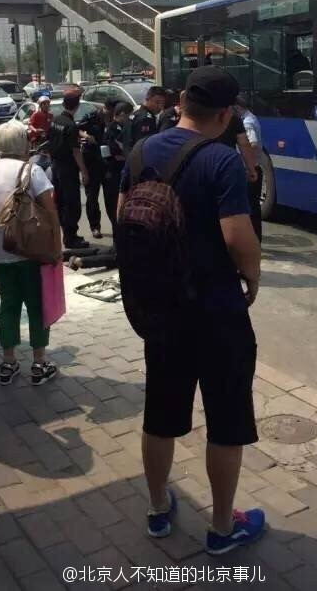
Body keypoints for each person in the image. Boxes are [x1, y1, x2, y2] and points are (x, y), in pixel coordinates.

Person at [118, 66, 264, 555]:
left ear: (180, 102)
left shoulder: (140, 152)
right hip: (217, 312)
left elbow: (123, 216)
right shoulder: (221, 160)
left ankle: (159, 508)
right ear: (224, 115)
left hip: (162, 310)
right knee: (226, 420)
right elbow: (237, 236)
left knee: (160, 414)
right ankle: (222, 528)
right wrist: (253, 276)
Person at [0, 121, 60, 386]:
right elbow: (51, 214)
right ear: (23, 143)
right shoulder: (32, 172)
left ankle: (8, 362)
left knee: (8, 306)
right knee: (36, 307)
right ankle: (39, 363)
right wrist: (55, 250)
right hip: (31, 254)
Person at [49, 88, 89, 249]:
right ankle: (71, 237)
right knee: (72, 203)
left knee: (61, 201)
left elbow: (50, 142)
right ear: (77, 106)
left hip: (56, 166)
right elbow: (76, 151)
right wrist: (84, 172)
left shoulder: (55, 120)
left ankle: (66, 234)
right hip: (68, 169)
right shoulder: (71, 125)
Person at [234, 95, 264, 241]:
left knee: (250, 208)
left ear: (237, 107)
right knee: (253, 207)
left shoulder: (247, 122)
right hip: (254, 167)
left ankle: (253, 239)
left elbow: (253, 143)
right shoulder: (252, 117)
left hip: (250, 169)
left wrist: (248, 164)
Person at [101, 101, 133, 239]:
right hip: (113, 173)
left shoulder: (124, 127)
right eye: (129, 115)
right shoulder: (112, 129)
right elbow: (114, 152)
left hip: (122, 171)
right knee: (114, 207)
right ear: (122, 114)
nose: (130, 118)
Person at [79, 107, 105, 239]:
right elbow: (77, 129)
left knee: (113, 198)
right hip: (91, 160)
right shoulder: (91, 117)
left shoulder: (118, 118)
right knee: (92, 198)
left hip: (108, 162)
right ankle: (95, 227)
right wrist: (87, 136)